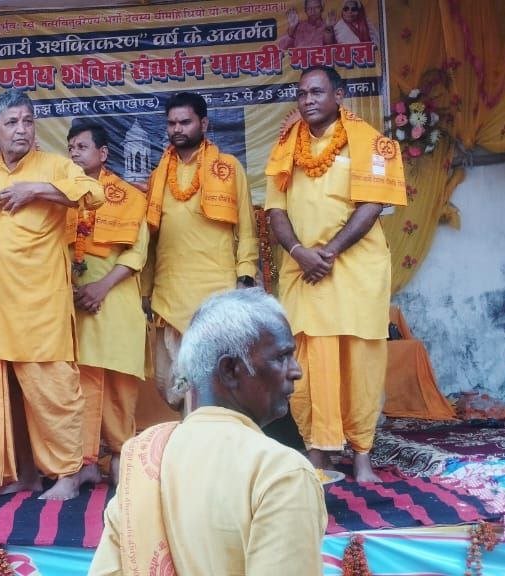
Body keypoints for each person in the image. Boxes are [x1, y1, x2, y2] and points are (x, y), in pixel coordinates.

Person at [88, 289, 326, 575]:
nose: (296, 371)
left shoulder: (144, 455)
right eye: (282, 357)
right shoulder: (281, 471)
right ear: (230, 370)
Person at [0, 89, 101, 500]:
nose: (21, 130)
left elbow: (92, 194)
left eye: (28, 121)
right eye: (11, 123)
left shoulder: (53, 166)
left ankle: (67, 474)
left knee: (53, 389)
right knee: (7, 393)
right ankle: (25, 475)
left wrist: (38, 190)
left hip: (41, 303)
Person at [264, 65, 407, 483]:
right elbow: (276, 209)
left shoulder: (371, 142)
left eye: (316, 92)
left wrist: (328, 252)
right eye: (302, 93)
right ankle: (317, 454)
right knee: (306, 363)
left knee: (360, 363)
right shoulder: (285, 146)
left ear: (339, 95)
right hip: (302, 270)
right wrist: (297, 251)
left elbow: (373, 203)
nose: (307, 100)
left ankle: (362, 455)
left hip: (354, 270)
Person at [146, 92, 257, 411]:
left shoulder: (229, 168)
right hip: (169, 295)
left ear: (204, 123)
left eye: (185, 122)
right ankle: (192, 443)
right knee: (172, 384)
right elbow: (151, 241)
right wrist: (146, 289)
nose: (177, 129)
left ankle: (214, 450)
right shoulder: (159, 176)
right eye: (171, 123)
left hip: (215, 296)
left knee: (214, 384)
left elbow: (246, 228)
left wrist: (245, 276)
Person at [65, 121, 149, 484]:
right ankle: (83, 463)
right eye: (70, 148)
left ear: (103, 154)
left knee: (117, 384)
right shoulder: (63, 198)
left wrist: (101, 287)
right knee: (79, 385)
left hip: (115, 303)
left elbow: (137, 253)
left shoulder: (130, 197)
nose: (74, 154)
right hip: (75, 305)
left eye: (82, 147)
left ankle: (119, 455)